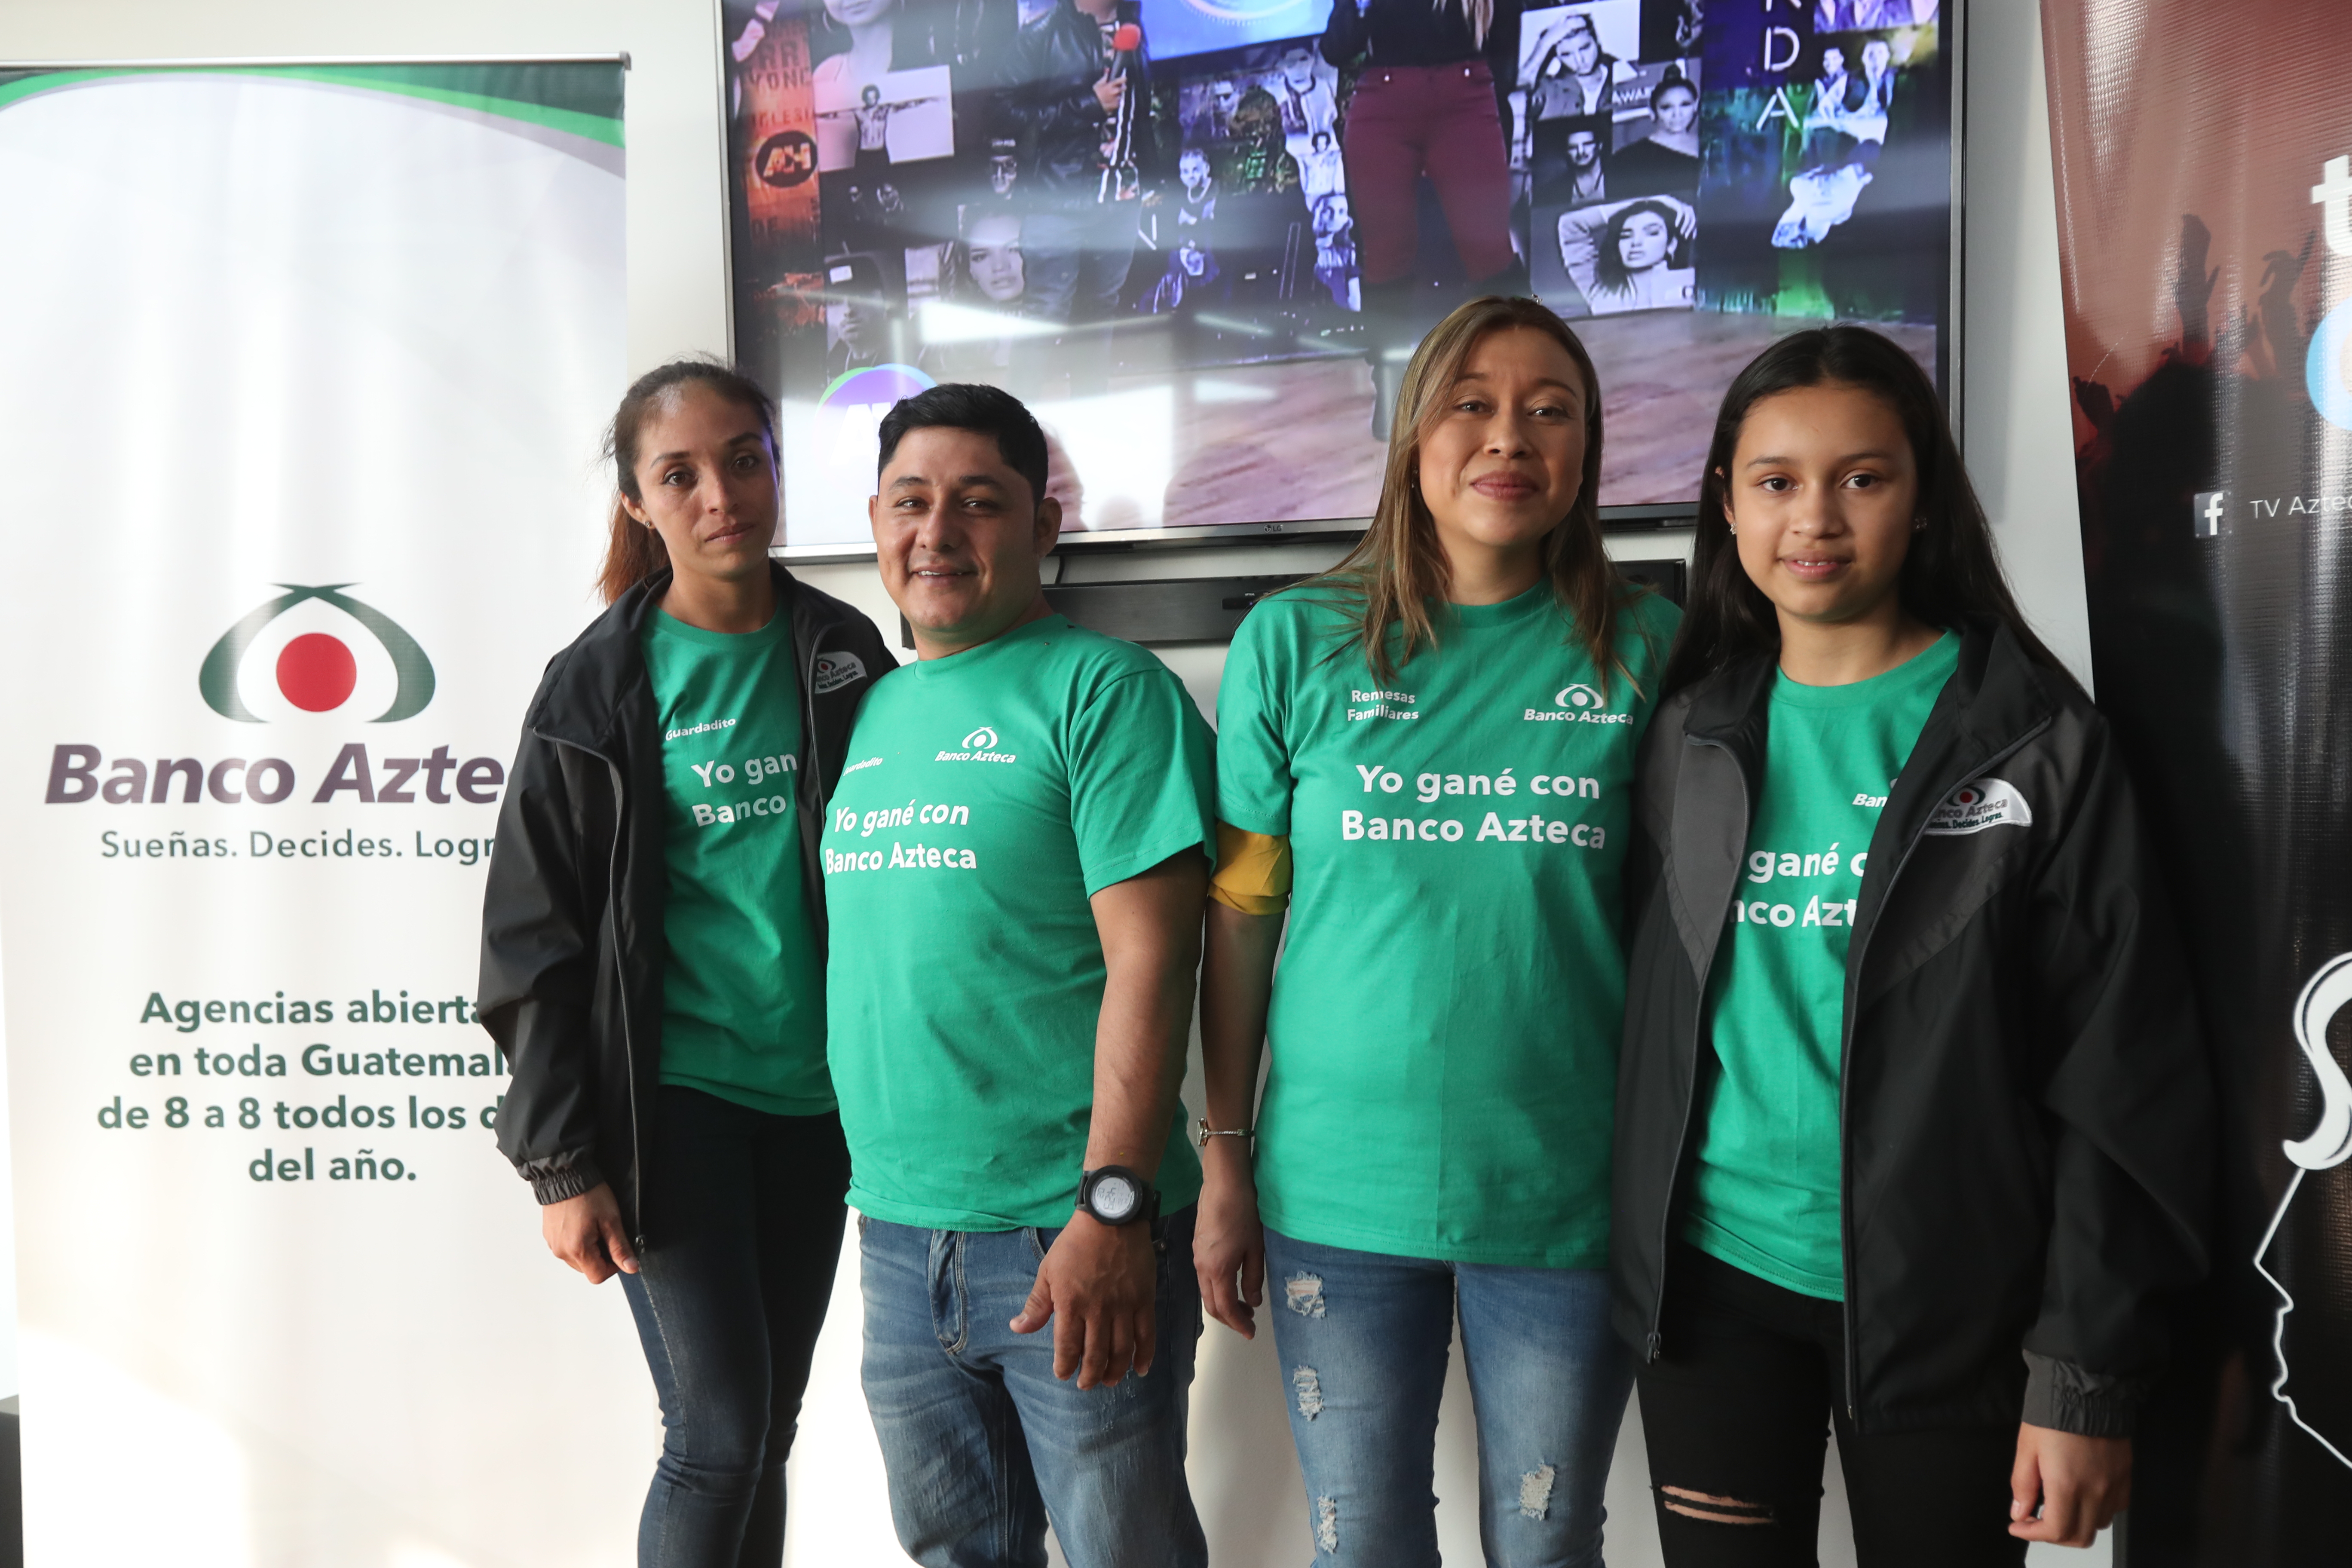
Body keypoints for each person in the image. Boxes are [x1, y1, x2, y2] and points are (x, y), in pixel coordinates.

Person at [1614, 327, 2213, 1564]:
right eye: (1776, 481)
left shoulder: (2038, 748)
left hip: (1956, 1307)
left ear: (1925, 497)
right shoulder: (1688, 737)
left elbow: (2121, 1084)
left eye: (1863, 477)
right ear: (1727, 502)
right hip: (1717, 1294)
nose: (1814, 518)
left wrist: (2082, 1377)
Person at [1196, 295, 1680, 1565]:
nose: (1507, 436)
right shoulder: (1294, 644)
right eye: (1471, 402)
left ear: (1586, 452)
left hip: (1570, 1191)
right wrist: (1224, 1155)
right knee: (1362, 1543)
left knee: (1548, 1542)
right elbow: (1242, 917)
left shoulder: (1657, 650)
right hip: (1337, 1189)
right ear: (1414, 436)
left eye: (1547, 410)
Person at [479, 361, 894, 1567]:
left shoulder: (842, 650)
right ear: (639, 505)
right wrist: (559, 1161)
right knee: (715, 1433)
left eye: (744, 458)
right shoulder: (595, 687)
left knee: (766, 1429)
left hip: (816, 1107)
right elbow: (531, 941)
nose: (722, 493)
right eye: (681, 474)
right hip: (673, 1111)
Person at [822, 383, 1216, 1567]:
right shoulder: (875, 709)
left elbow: (1156, 966)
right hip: (898, 1233)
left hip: (1069, 1227)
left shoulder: (1106, 694)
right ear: (878, 524)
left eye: (979, 504)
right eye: (911, 502)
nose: (937, 534)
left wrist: (1110, 1209)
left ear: (1043, 530)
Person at [1321, 0, 1522, 312]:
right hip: (1383, 108)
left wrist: (1485, 100)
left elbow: (1506, 46)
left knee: (1490, 248)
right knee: (1385, 252)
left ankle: (1529, 344)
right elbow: (1337, 49)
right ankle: (1389, 357)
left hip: (1465, 101)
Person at [1001, 0, 1157, 323]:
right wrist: (1088, 104)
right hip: (1057, 201)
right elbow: (999, 113)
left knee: (1101, 310)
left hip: (1121, 202)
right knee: (1047, 311)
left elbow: (1138, 116)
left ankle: (1094, 378)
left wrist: (1154, 178)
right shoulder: (1041, 36)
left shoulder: (1132, 30)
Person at [1565, 196, 1694, 314]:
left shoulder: (1693, 282)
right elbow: (1570, 225)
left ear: (1671, 244)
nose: (1636, 243)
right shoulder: (1602, 294)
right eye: (1626, 236)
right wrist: (1657, 200)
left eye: (1652, 233)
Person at [1609, 73, 1701, 198]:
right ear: (1653, 112)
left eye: (1685, 105)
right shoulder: (1628, 159)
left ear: (1695, 106)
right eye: (1667, 107)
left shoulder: (1713, 146)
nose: (1677, 114)